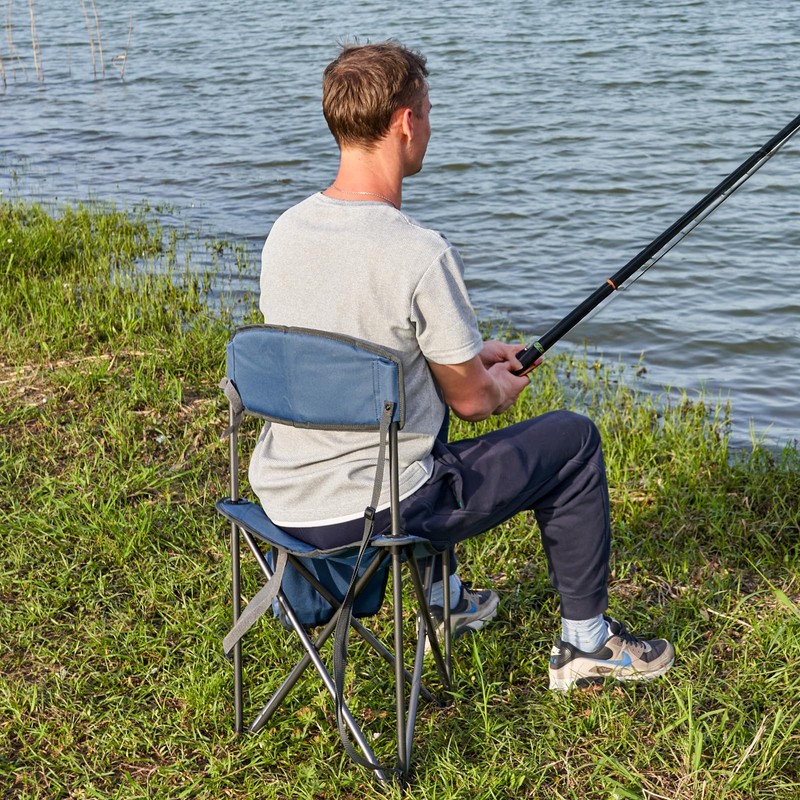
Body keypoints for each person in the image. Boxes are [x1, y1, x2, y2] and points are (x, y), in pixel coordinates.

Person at [248, 40, 674, 691]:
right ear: (406, 123)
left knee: (416, 404)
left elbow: (336, 353)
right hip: (378, 510)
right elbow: (474, 402)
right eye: (428, 110)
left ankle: (442, 595)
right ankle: (588, 645)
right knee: (574, 441)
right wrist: (494, 384)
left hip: (283, 502)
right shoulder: (417, 252)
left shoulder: (287, 231)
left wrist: (467, 359)